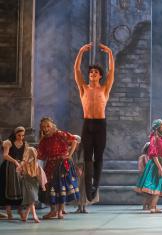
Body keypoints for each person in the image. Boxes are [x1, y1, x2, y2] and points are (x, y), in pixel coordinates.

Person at [74, 42, 115, 201]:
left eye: (95, 72)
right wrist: (81, 52)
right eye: (90, 72)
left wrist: (110, 53)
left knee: (98, 156)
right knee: (87, 158)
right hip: (87, 124)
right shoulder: (83, 88)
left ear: (99, 76)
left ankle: (95, 187)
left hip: (100, 125)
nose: (92, 74)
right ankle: (88, 190)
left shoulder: (104, 89)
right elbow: (77, 71)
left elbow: (112, 71)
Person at [37, 117, 80, 219]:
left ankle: (60, 211)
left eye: (48, 126)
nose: (46, 128)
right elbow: (41, 156)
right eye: (43, 126)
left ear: (52, 125)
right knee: (49, 187)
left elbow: (74, 141)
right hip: (50, 165)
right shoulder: (44, 140)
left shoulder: (60, 134)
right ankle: (53, 211)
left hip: (62, 165)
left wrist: (69, 155)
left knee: (61, 187)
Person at [135, 119, 162, 213]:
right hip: (156, 164)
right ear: (159, 127)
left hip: (161, 162)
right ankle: (152, 207)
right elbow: (154, 154)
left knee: (158, 185)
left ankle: (153, 206)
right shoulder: (154, 138)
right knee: (156, 185)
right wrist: (159, 167)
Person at [0, 127, 26, 220]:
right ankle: (9, 212)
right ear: (15, 134)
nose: (21, 137)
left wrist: (21, 164)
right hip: (7, 168)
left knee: (20, 189)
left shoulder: (24, 144)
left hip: (18, 168)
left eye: (23, 135)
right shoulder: (8, 142)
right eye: (19, 135)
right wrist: (15, 161)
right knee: (8, 188)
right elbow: (5, 155)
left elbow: (24, 157)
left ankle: (20, 210)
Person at [18, 147, 47, 223]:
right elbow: (19, 170)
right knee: (32, 198)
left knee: (32, 200)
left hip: (34, 183)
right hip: (27, 181)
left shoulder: (36, 163)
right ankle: (34, 215)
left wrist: (42, 185)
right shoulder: (24, 163)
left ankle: (25, 216)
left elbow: (40, 175)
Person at [73, 135, 99, 214]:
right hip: (75, 170)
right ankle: (79, 206)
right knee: (77, 188)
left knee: (84, 188)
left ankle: (83, 206)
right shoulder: (72, 149)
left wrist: (80, 168)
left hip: (85, 170)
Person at [137, 142, 151, 210]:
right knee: (146, 193)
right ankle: (145, 205)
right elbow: (141, 168)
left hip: (152, 177)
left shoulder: (154, 157)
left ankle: (150, 205)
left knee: (151, 192)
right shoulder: (143, 157)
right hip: (145, 176)